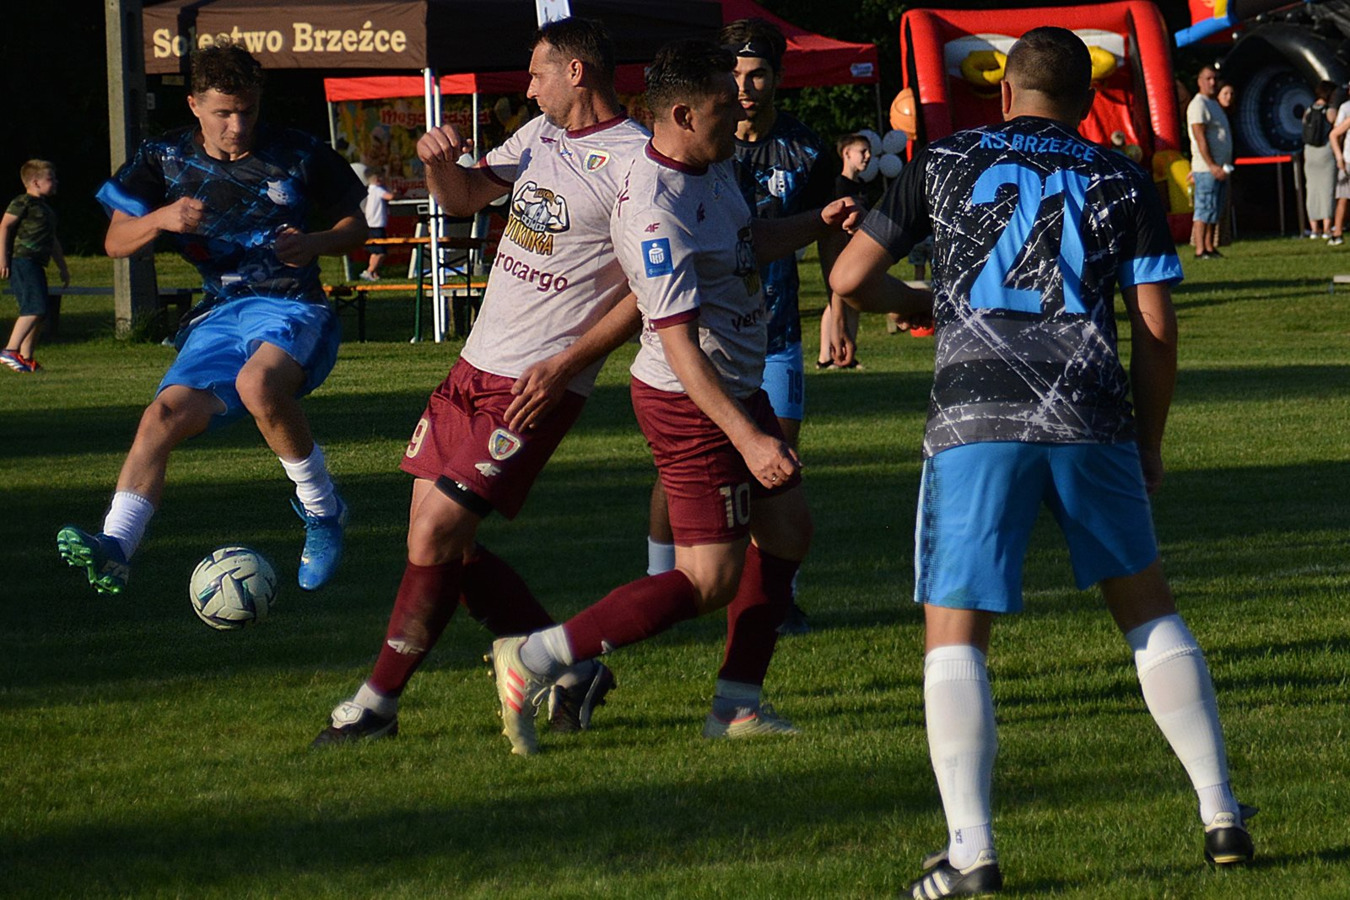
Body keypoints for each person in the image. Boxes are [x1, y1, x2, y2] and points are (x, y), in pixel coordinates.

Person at [830, 27, 1254, 897]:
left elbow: (847, 277)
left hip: (975, 416)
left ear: (1005, 89)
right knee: (1147, 611)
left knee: (955, 632)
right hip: (1089, 410)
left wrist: (927, 300)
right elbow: (1158, 329)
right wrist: (1149, 439)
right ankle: (1221, 812)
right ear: (1085, 98)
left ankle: (972, 851)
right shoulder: (1120, 175)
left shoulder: (944, 160)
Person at [488, 38, 859, 757]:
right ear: (684, 114)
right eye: (724, 104)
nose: (740, 113)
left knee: (788, 531)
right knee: (708, 578)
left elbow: (746, 243)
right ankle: (534, 656)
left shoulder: (713, 164)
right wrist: (750, 437)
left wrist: (817, 220)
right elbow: (678, 345)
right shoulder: (655, 211)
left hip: (733, 384)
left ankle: (737, 706)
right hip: (691, 402)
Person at [310, 17, 651, 746]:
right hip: (472, 368)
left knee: (437, 533)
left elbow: (645, 292)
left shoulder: (635, 161)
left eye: (536, 73)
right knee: (442, 547)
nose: (527, 87)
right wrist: (438, 162)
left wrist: (567, 366)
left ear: (577, 73)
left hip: (532, 386)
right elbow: (464, 199)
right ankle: (574, 670)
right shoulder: (539, 135)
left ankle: (377, 703)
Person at [57, 43, 366, 596]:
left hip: (294, 306)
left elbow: (356, 226)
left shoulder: (297, 152)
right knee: (161, 416)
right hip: (219, 314)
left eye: (247, 110)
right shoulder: (163, 157)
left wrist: (316, 241)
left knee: (258, 385)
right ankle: (116, 546)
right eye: (223, 113)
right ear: (195, 105)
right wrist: (160, 217)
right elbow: (115, 242)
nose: (237, 126)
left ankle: (323, 511)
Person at [646, 18, 838, 637]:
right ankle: (658, 586)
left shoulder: (806, 149)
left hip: (774, 334)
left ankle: (776, 604)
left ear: (778, 78)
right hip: (702, 347)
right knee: (686, 489)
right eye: (734, 77)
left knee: (781, 470)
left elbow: (778, 237)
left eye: (757, 76)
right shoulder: (694, 157)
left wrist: (838, 304)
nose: (745, 90)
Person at [0, 160, 69, 374]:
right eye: (50, 178)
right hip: (22, 261)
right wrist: (2, 259)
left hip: (37, 263)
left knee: (40, 310)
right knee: (34, 308)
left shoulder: (45, 209)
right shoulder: (23, 202)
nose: (55, 182)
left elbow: (52, 240)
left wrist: (62, 267)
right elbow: (4, 226)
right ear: (35, 182)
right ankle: (10, 350)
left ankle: (26, 357)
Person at [817, 133, 873, 369]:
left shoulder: (861, 186)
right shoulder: (837, 186)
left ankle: (847, 353)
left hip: (857, 250)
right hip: (840, 249)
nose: (868, 156)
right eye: (863, 151)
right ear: (847, 153)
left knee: (853, 300)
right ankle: (826, 356)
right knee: (835, 301)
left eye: (869, 152)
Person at [1186, 65, 1231, 259]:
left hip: (1220, 167)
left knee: (1214, 210)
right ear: (1199, 81)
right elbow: (1200, 136)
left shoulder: (1213, 103)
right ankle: (1200, 249)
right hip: (1206, 169)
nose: (1212, 82)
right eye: (1208, 78)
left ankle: (1209, 246)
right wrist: (1211, 165)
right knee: (1203, 209)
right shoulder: (1198, 104)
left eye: (1215, 78)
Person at [1303, 80, 1338, 240]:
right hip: (1326, 151)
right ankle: (1327, 227)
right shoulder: (1330, 111)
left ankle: (1314, 228)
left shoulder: (1308, 110)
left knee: (1312, 190)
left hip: (1310, 152)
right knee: (1327, 189)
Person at [359, 168, 395, 281]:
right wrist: (393, 191)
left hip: (371, 224)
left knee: (375, 252)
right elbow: (390, 196)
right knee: (381, 252)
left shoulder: (370, 189)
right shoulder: (377, 189)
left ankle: (373, 272)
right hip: (377, 224)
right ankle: (369, 271)